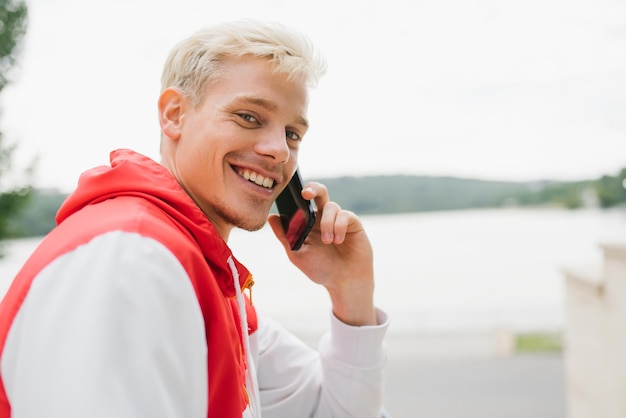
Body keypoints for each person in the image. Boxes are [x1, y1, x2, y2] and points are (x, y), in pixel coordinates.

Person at [0, 19, 389, 417]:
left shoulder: (212, 282)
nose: (279, 151)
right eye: (249, 117)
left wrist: (351, 292)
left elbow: (335, 412)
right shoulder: (132, 259)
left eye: (292, 133)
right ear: (174, 114)